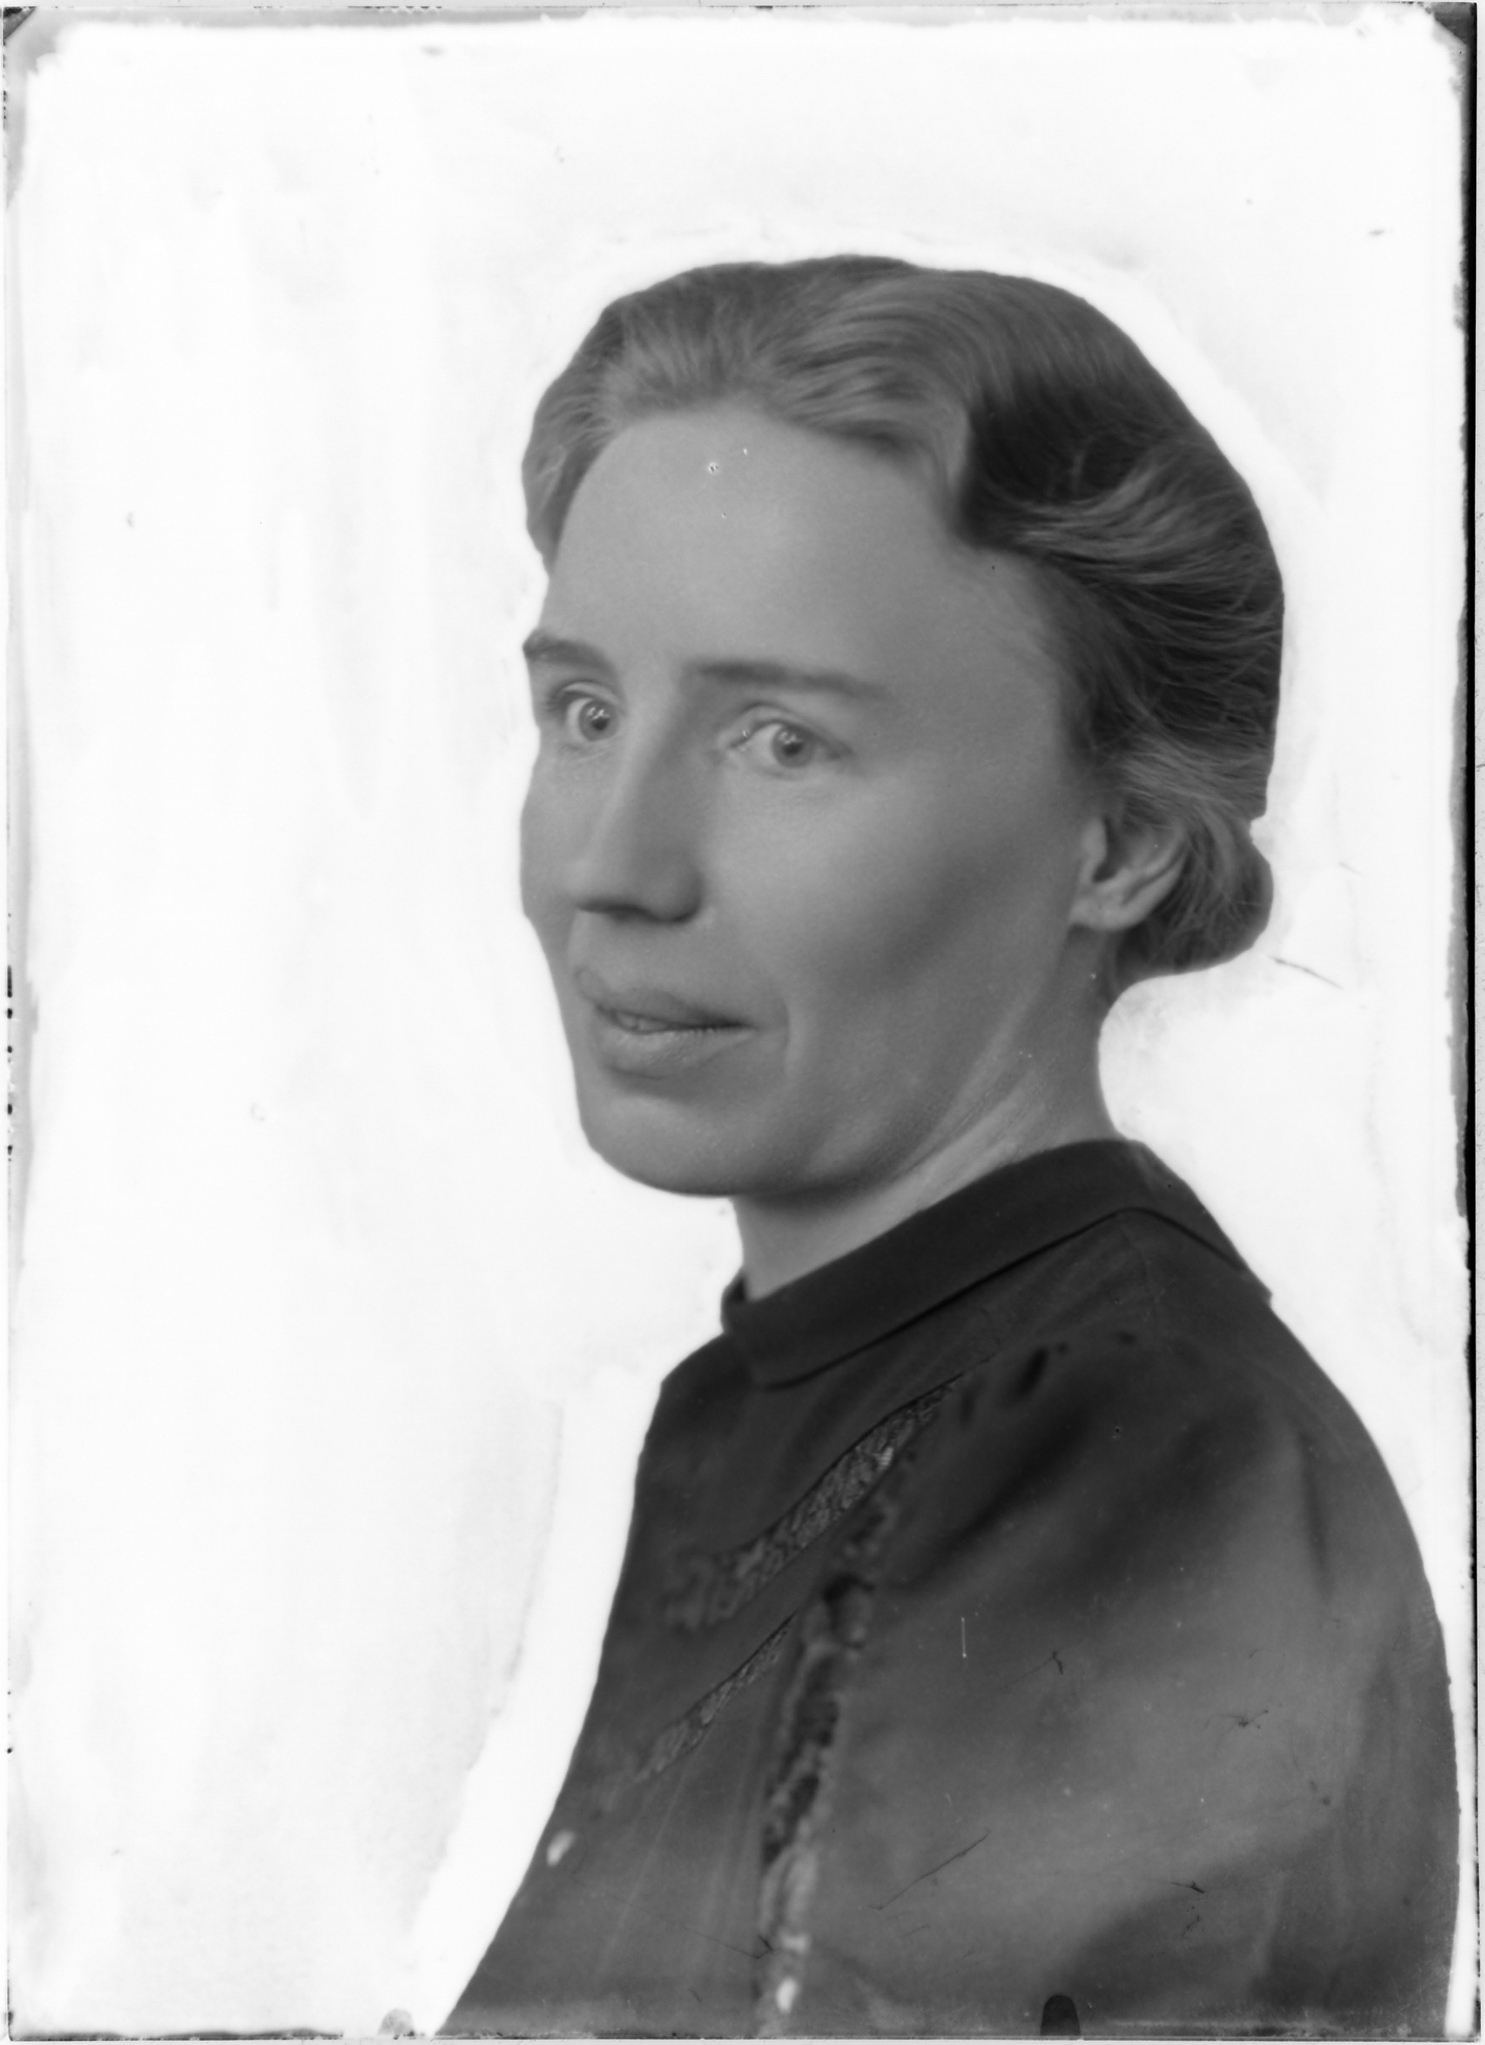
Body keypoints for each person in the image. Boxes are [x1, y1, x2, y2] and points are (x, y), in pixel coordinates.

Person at [443, 258, 1457, 2037]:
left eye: (781, 741)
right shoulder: (810, 1393)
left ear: (1119, 847)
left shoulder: (1134, 1453)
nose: (613, 864)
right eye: (585, 713)